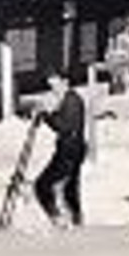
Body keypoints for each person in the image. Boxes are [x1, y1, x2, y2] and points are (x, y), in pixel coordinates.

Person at [32, 71, 89, 229]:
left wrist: (46, 117)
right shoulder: (69, 100)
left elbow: (65, 126)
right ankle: (75, 220)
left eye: (55, 83)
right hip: (72, 149)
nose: (52, 88)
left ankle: (58, 217)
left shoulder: (72, 101)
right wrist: (47, 115)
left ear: (65, 82)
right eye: (51, 84)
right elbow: (61, 120)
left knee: (43, 185)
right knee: (69, 188)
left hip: (69, 151)